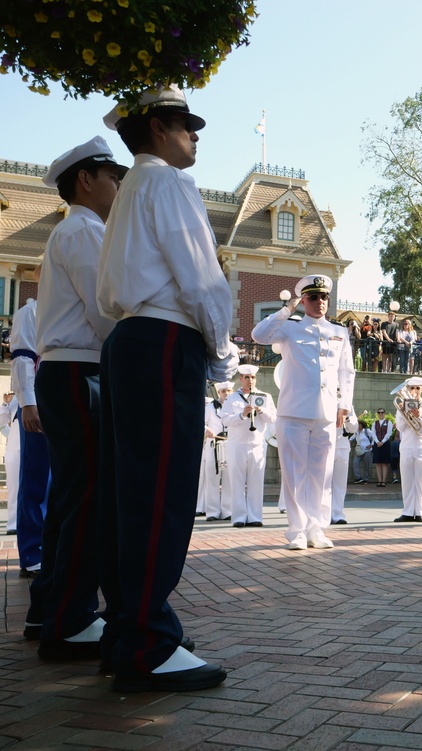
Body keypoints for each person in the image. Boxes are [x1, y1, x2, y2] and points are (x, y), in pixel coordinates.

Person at [99, 85, 237, 692]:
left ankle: (129, 627)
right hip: (163, 342)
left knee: (128, 494)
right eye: (185, 124)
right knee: (162, 494)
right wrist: (221, 353)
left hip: (131, 340)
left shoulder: (131, 189)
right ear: (157, 127)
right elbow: (203, 281)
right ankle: (148, 644)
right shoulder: (170, 184)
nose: (195, 133)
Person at [23, 137, 125, 660]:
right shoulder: (85, 230)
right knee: (86, 499)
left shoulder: (79, 230)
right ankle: (72, 619)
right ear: (86, 179)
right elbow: (106, 310)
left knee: (71, 498)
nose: (118, 184)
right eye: (112, 175)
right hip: (79, 372)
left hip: (70, 373)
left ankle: (52, 609)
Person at [252, 274, 355, 551]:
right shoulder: (290, 328)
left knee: (321, 474)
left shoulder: (340, 332)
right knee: (294, 473)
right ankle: (297, 530)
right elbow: (258, 335)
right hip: (294, 411)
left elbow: (347, 371)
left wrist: (344, 405)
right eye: (313, 297)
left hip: (326, 413)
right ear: (304, 300)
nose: (320, 302)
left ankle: (316, 529)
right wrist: (287, 310)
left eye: (323, 297)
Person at [9, 293, 48, 583]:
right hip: (40, 402)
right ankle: (33, 552)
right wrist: (28, 403)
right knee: (37, 476)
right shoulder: (32, 311)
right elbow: (23, 356)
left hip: (65, 398)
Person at [221, 364, 276, 527]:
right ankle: (238, 516)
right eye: (247, 377)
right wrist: (242, 414)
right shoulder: (232, 398)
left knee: (256, 481)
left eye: (252, 377)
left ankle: (254, 516)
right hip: (237, 444)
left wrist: (261, 411)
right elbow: (225, 420)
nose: (250, 380)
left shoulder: (264, 396)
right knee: (237, 481)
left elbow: (273, 418)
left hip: (257, 444)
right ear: (240, 379)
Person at [393, 377, 422, 522]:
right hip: (406, 446)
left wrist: (420, 415)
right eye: (412, 388)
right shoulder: (402, 406)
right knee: (407, 480)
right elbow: (400, 427)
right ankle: (407, 511)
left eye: (418, 388)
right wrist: (405, 414)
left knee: (421, 480)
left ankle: (420, 511)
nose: (414, 391)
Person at [199, 381, 231, 521]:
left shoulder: (235, 405)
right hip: (213, 445)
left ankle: (227, 510)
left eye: (229, 391)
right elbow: (202, 422)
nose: (227, 393)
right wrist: (207, 430)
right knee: (212, 478)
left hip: (230, 444)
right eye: (224, 391)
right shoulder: (210, 407)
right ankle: (212, 511)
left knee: (229, 479)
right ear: (219, 393)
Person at [330, 409, 358, 525]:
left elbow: (354, 427)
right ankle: (323, 514)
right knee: (322, 484)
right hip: (324, 445)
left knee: (340, 485)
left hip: (342, 447)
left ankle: (337, 514)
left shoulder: (346, 404)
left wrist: (347, 419)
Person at [1, 392, 20, 536]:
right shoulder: (14, 403)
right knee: (14, 487)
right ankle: (13, 523)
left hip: (37, 445)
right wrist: (5, 404)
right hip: (15, 450)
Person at [371, 408, 393, 487]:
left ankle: (384, 481)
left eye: (382, 412)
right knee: (378, 463)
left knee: (384, 463)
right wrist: (377, 442)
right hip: (377, 444)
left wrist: (382, 442)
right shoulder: (375, 423)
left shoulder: (388, 422)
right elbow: (373, 433)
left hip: (385, 444)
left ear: (384, 413)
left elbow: (389, 433)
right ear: (377, 413)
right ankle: (379, 481)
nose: (380, 414)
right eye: (379, 412)